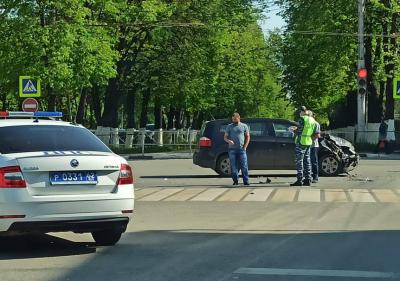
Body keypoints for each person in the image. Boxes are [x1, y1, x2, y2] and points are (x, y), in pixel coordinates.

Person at [290, 106, 317, 187]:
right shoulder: (312, 120)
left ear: (301, 112)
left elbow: (299, 131)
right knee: (307, 160)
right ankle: (308, 179)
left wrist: (293, 130)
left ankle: (299, 179)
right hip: (308, 141)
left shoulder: (302, 119)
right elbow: (313, 131)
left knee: (299, 161)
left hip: (301, 141)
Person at [224, 113, 251, 186]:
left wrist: (245, 146)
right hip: (232, 149)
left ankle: (246, 181)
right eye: (232, 119)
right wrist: (229, 141)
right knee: (233, 166)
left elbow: (248, 137)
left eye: (235, 119)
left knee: (244, 165)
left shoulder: (244, 126)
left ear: (239, 118)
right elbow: (225, 137)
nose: (233, 121)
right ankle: (235, 180)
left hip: (242, 149)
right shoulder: (229, 126)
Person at [307, 111, 321, 183]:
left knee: (314, 161)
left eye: (308, 115)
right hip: (307, 144)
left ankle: (315, 177)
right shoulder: (307, 124)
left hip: (313, 146)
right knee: (307, 161)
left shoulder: (316, 124)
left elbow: (317, 135)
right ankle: (308, 177)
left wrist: (308, 139)